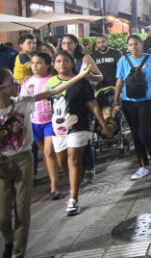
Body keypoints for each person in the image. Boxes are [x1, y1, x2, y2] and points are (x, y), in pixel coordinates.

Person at [0, 62, 98, 256]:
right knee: (3, 216)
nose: (16, 83)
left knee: (22, 210)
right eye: (12, 81)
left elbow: (55, 90)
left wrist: (80, 76)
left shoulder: (23, 101)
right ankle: (9, 241)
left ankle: (18, 252)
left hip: (23, 160)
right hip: (2, 163)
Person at [46, 53, 112, 216]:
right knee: (62, 161)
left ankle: (73, 199)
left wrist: (103, 125)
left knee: (73, 158)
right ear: (54, 65)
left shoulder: (82, 82)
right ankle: (74, 183)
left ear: (71, 64)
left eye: (66, 61)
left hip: (79, 125)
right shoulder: (51, 83)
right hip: (58, 127)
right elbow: (50, 106)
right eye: (58, 61)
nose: (62, 64)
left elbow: (93, 105)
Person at [112, 35, 151, 180]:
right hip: (128, 102)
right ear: (127, 47)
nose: (133, 47)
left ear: (141, 45)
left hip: (146, 100)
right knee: (135, 134)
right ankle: (142, 166)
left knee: (144, 131)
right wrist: (115, 102)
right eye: (130, 45)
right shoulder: (123, 60)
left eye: (136, 44)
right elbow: (119, 82)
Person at [60, 34, 103, 184]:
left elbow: (99, 77)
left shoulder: (84, 60)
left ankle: (89, 167)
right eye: (64, 43)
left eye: (69, 43)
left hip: (83, 101)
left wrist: (86, 76)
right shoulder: (59, 61)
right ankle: (76, 169)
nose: (66, 46)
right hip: (65, 104)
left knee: (83, 136)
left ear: (75, 44)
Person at [20, 53, 61, 199]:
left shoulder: (52, 80)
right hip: (34, 121)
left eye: (39, 63)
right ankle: (54, 176)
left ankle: (54, 186)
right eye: (33, 63)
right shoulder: (27, 82)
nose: (35, 66)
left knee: (49, 152)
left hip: (50, 121)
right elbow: (23, 102)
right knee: (45, 153)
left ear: (47, 65)